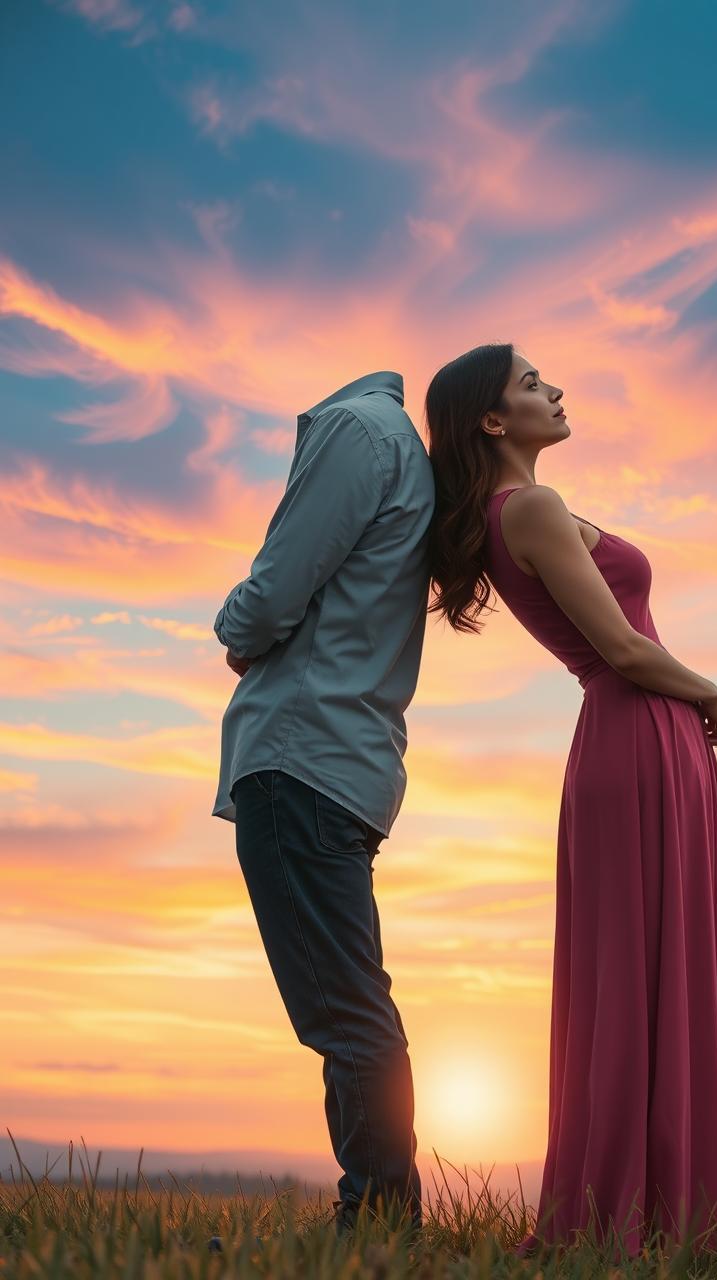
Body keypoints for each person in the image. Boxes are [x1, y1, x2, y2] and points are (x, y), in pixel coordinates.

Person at [423, 342, 717, 1260]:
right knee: (645, 975)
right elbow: (624, 649)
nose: (554, 389)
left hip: (635, 742)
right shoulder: (529, 506)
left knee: (643, 974)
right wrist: (711, 694)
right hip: (637, 733)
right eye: (531, 384)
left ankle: (649, 1216)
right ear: (493, 421)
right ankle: (636, 1221)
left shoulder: (510, 510)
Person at [211, 370, 435, 1236]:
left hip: (302, 759)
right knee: (354, 1001)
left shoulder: (356, 429)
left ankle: (378, 1224)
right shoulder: (405, 453)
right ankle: (383, 1218)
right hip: (348, 767)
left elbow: (269, 596)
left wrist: (234, 631)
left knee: (344, 1011)